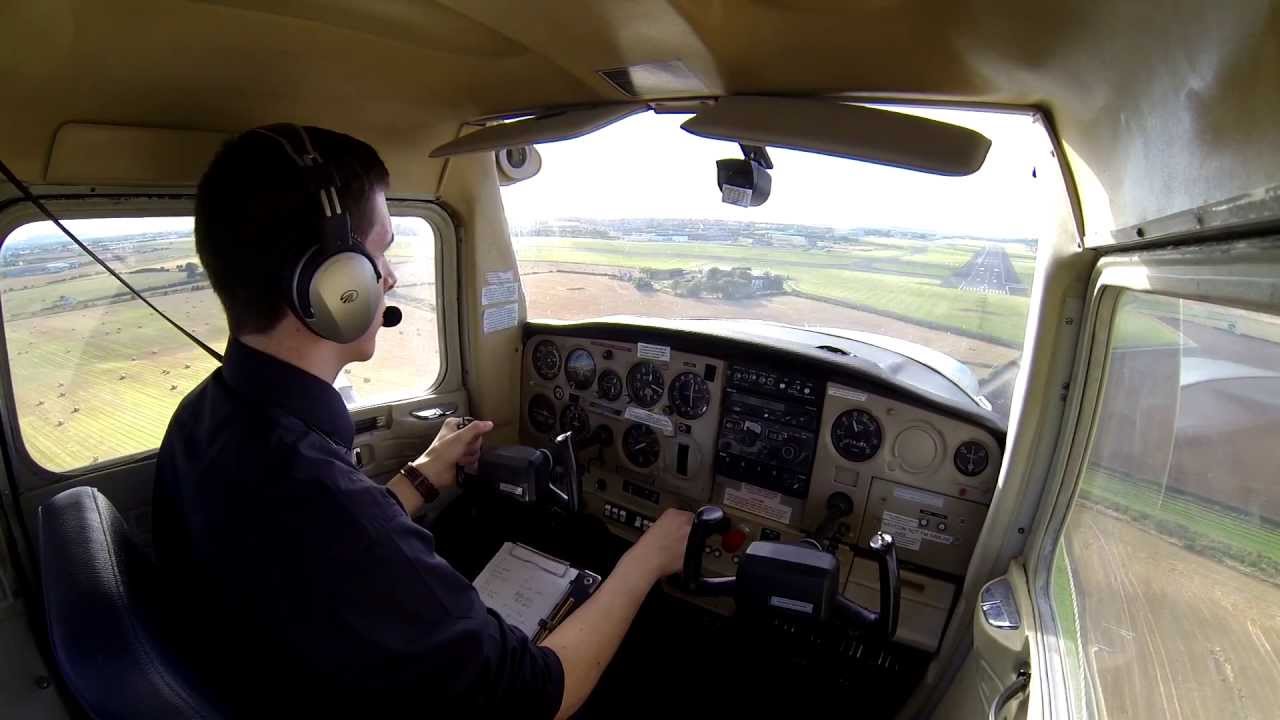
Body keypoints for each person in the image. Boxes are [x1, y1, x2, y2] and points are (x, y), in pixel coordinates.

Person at [152, 124, 693, 717]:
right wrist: (647, 559)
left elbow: (324, 558)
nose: (387, 277)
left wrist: (421, 478)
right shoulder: (317, 498)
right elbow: (538, 693)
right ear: (336, 284)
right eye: (376, 254)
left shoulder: (206, 418)